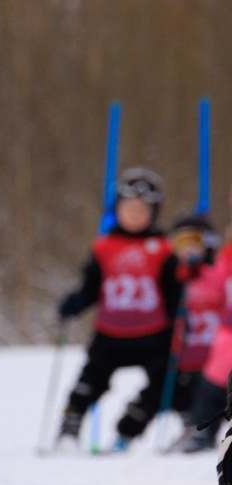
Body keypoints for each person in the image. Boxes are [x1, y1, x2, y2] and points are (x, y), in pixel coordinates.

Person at [54, 168, 180, 449]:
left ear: (153, 213)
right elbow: (91, 288)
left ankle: (126, 433)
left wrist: (180, 320)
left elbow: (173, 292)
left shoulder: (162, 249)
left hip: (153, 333)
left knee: (163, 384)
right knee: (89, 381)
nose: (135, 215)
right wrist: (73, 305)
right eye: (129, 209)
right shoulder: (104, 247)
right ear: (117, 210)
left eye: (142, 210)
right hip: (110, 333)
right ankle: (68, 431)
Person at [166, 213, 225, 450]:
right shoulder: (173, 278)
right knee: (182, 394)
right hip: (185, 354)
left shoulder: (217, 275)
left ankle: (204, 433)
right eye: (181, 242)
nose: (188, 249)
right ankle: (195, 429)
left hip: (214, 353)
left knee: (214, 394)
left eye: (194, 241)